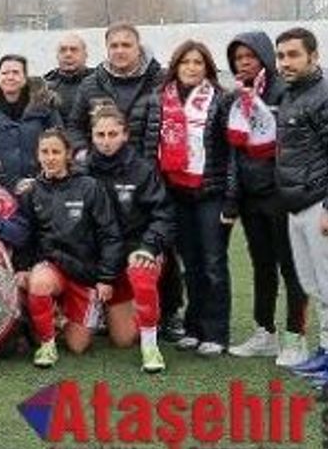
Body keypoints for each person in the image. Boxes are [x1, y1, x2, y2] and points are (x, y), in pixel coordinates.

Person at [225, 31, 309, 365]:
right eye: (238, 57)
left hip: (281, 194)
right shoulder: (238, 94)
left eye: (250, 56)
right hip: (251, 195)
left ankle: (295, 337)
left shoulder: (283, 90)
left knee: (291, 268)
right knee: (262, 266)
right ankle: (265, 332)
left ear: (264, 57)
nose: (243, 62)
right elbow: (235, 147)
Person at [15, 129, 123, 368]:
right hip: (52, 267)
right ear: (37, 155)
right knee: (38, 282)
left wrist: (106, 277)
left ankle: (61, 317)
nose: (50, 157)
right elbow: (27, 236)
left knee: (77, 345)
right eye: (45, 152)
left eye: (56, 152)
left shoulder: (89, 187)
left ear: (68, 155)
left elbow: (110, 235)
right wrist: (23, 267)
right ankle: (46, 344)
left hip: (85, 272)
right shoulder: (32, 191)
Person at [156, 40, 233, 357]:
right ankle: (193, 327)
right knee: (189, 265)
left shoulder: (221, 100)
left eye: (197, 62)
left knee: (213, 263)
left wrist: (232, 198)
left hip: (210, 193)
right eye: (185, 62)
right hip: (176, 193)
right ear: (176, 66)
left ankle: (216, 332)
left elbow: (232, 155)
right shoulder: (161, 100)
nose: (191, 67)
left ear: (207, 68)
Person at [87, 106, 175, 373]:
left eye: (112, 133)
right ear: (91, 136)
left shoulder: (142, 169)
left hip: (138, 247)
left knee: (140, 269)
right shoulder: (83, 169)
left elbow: (164, 214)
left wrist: (149, 247)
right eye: (100, 134)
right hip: (106, 256)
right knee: (123, 339)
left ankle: (151, 345)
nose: (106, 140)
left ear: (125, 135)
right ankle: (121, 311)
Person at [273, 28, 328, 383]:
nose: (285, 62)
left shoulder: (323, 95)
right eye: (281, 56)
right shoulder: (292, 94)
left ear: (314, 56)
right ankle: (324, 353)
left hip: (317, 204)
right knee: (315, 286)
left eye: (293, 54)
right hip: (296, 205)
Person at [69, 23, 164, 160]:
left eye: (126, 45)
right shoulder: (90, 84)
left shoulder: (160, 82)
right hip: (103, 171)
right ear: (107, 49)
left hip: (149, 170)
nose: (119, 51)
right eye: (114, 46)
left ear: (138, 48)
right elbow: (74, 126)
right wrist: (84, 154)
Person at [0, 55, 62, 188]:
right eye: (5, 73)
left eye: (15, 72)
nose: (10, 77)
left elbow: (59, 146)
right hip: (0, 190)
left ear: (25, 77)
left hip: (42, 186)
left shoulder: (45, 107)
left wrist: (40, 180)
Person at [44, 33, 94, 132]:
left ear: (85, 55)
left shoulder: (99, 82)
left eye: (74, 50)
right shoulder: (45, 87)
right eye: (63, 50)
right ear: (57, 56)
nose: (68, 54)